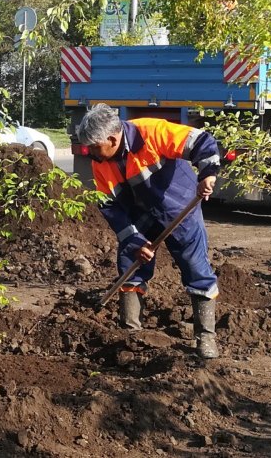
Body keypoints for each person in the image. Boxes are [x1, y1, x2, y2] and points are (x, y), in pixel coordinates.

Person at [76, 105, 221, 359]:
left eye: (95, 147)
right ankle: (131, 334)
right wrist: (133, 240)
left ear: (112, 139)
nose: (92, 154)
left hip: (178, 210)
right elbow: (110, 206)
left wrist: (207, 174)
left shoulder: (151, 132)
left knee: (195, 267)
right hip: (139, 215)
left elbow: (201, 141)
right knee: (130, 263)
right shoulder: (101, 161)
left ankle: (206, 338)